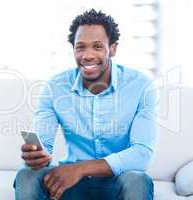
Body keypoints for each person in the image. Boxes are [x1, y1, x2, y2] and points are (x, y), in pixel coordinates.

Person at [14, 8, 157, 200]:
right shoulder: (55, 87)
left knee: (137, 180)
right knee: (26, 176)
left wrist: (80, 169)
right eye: (80, 47)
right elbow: (45, 145)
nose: (87, 55)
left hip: (116, 180)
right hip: (70, 185)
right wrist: (38, 156)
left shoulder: (141, 85)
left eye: (97, 46)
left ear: (113, 48)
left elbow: (142, 154)